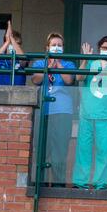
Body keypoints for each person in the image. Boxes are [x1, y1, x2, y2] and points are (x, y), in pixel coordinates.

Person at [72, 36, 107, 190]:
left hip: (106, 114)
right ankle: (80, 182)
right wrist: (84, 59)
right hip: (87, 112)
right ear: (99, 48)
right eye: (104, 48)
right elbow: (79, 77)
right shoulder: (91, 62)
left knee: (104, 150)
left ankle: (100, 183)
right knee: (83, 149)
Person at [31, 33, 76, 187]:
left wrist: (59, 64)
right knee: (42, 150)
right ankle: (40, 183)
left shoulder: (68, 64)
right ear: (47, 47)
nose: (56, 48)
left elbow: (69, 80)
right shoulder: (39, 62)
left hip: (62, 112)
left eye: (59, 45)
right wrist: (49, 66)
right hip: (43, 111)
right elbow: (36, 80)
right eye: (53, 45)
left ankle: (58, 185)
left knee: (60, 151)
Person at [0, 20, 28, 85]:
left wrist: (12, 39)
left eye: (17, 44)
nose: (15, 45)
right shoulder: (0, 58)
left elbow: (23, 61)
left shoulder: (21, 56)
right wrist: (7, 41)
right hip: (0, 93)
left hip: (18, 93)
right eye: (11, 43)